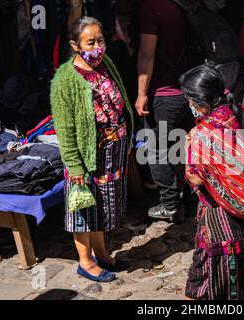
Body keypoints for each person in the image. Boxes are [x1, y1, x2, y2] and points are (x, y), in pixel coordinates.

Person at [180, 64, 244, 300]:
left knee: (201, 286)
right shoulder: (238, 112)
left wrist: (188, 145)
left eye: (189, 100)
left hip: (225, 223)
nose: (189, 106)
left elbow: (195, 176)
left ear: (199, 101)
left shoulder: (207, 131)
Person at [50, 17, 134, 283]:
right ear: (75, 45)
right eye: (91, 42)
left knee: (102, 205)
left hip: (112, 149)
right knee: (84, 207)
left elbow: (119, 95)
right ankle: (85, 262)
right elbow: (64, 128)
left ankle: (102, 253)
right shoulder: (65, 79)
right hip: (86, 155)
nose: (98, 46)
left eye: (101, 40)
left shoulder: (104, 63)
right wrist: (74, 166)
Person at [135, 0, 195, 223]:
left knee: (156, 150)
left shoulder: (151, 6)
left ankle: (170, 205)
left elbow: (147, 54)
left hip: (165, 92)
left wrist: (141, 93)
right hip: (191, 88)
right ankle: (191, 202)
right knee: (187, 146)